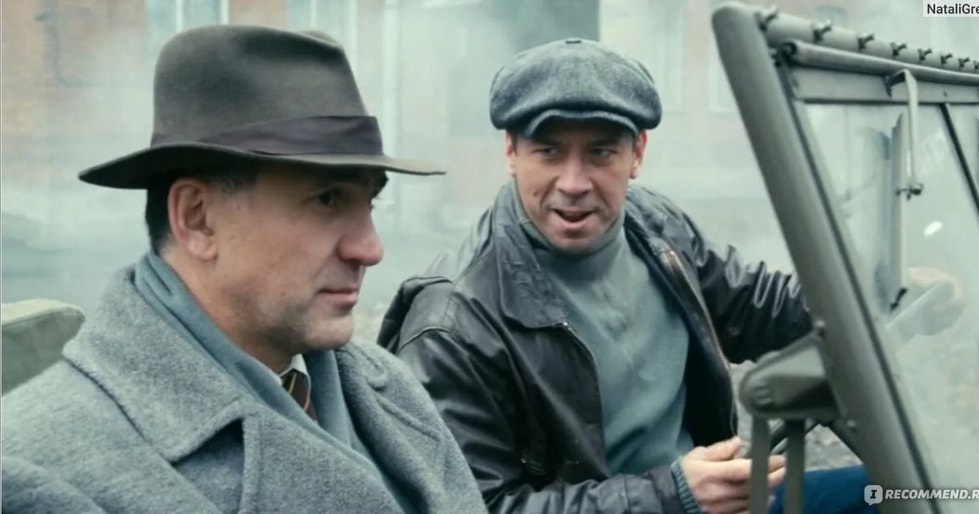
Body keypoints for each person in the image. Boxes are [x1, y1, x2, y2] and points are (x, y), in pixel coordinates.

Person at [375, 38, 888, 514]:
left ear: (637, 154)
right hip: (681, 501)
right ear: (511, 153)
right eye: (549, 151)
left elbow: (758, 306)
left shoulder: (653, 225)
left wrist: (875, 296)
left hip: (707, 500)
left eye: (600, 152)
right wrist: (670, 496)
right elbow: (474, 506)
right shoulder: (451, 325)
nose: (573, 183)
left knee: (904, 489)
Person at [1, 25, 488, 514]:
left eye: (370, 203)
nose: (371, 248)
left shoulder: (390, 387)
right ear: (197, 218)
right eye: (327, 199)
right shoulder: (39, 467)